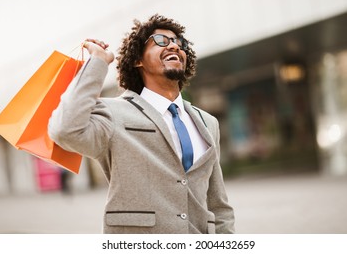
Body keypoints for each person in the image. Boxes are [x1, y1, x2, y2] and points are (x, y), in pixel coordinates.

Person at [48, 14, 235, 234]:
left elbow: (219, 205)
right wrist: (97, 62)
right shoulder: (113, 113)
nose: (174, 46)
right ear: (138, 59)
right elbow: (65, 130)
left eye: (178, 42)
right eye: (161, 41)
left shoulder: (208, 122)